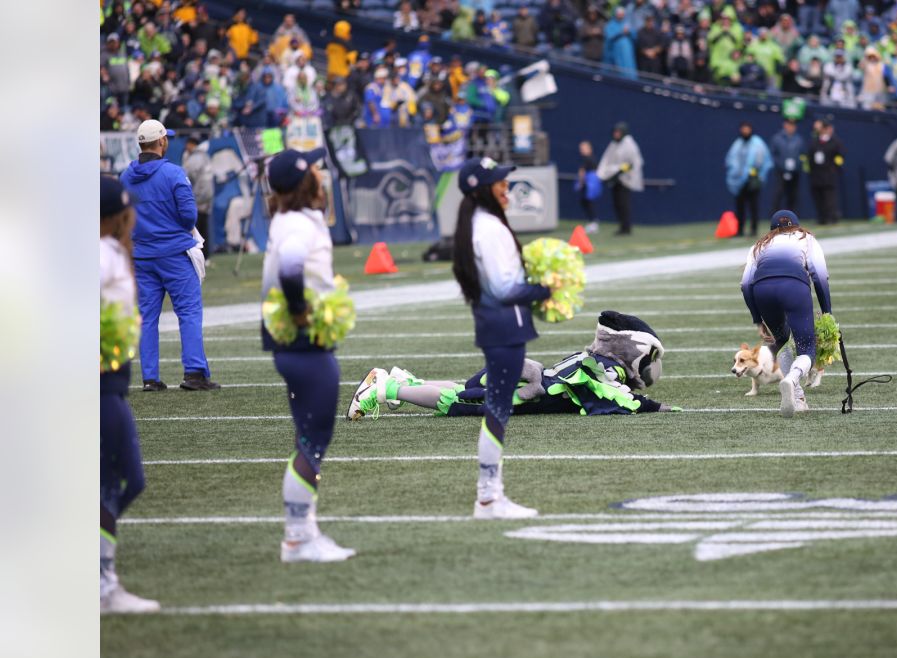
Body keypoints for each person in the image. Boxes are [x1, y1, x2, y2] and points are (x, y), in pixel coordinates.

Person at [261, 148, 356, 563]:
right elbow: (290, 266)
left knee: (310, 441)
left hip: (297, 344)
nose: (321, 172)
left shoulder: (290, 219)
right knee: (312, 443)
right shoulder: (298, 224)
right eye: (314, 168)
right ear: (305, 182)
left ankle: (304, 531)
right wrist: (300, 311)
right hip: (303, 343)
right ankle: (298, 538)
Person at [446, 157, 549, 518]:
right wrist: (542, 290)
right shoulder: (487, 228)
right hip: (501, 324)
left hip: (500, 323)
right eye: (499, 182)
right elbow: (504, 287)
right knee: (498, 410)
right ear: (482, 189)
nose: (506, 186)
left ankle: (490, 495)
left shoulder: (483, 224)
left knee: (499, 410)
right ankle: (488, 497)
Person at [347, 313, 673, 420]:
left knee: (462, 390)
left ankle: (404, 381)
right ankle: (387, 389)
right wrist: (656, 407)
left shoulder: (594, 358)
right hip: (520, 389)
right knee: (457, 402)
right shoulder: (603, 368)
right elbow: (615, 396)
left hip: (518, 377)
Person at [120, 119, 217, 392]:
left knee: (147, 316)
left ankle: (150, 378)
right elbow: (189, 216)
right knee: (188, 312)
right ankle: (194, 373)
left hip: (141, 256)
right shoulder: (174, 173)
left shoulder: (126, 177)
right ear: (161, 142)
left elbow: (122, 216)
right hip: (174, 254)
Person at [99, 177, 159, 614]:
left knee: (118, 482)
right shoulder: (98, 254)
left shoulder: (114, 252)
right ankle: (100, 581)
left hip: (113, 382)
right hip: (98, 386)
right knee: (124, 480)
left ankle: (101, 579)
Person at [740, 210, 832, 417]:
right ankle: (792, 379)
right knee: (807, 348)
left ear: (772, 230)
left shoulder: (759, 245)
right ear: (797, 226)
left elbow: (746, 285)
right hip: (794, 288)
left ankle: (798, 399)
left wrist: (757, 319)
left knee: (781, 341)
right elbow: (820, 276)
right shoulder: (806, 238)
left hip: (762, 291)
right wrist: (828, 312)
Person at [725, 122, 774, 238]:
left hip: (753, 179)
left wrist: (759, 174)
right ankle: (740, 229)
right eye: (743, 129)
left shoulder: (757, 143)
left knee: (753, 205)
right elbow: (731, 159)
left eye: (747, 129)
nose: (745, 132)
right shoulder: (738, 144)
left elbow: (764, 160)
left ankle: (753, 229)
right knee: (739, 206)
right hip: (739, 181)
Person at [598, 122, 644, 236]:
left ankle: (626, 228)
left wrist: (619, 173)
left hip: (626, 180)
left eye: (619, 132)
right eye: (615, 132)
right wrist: (606, 175)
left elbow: (632, 163)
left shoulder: (629, 144)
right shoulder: (614, 144)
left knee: (624, 204)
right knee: (617, 203)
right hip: (616, 180)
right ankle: (622, 227)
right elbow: (607, 160)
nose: (616, 134)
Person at [806, 118, 845, 225]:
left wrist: (835, 166)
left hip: (829, 174)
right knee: (818, 198)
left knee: (830, 198)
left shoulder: (836, 142)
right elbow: (809, 157)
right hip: (816, 175)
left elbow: (840, 157)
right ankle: (821, 218)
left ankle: (832, 217)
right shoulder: (815, 142)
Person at [182, 135, 213, 250]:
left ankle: (199, 251)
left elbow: (186, 177)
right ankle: (206, 254)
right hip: (207, 195)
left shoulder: (194, 158)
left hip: (198, 196)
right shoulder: (205, 156)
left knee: (197, 229)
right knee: (204, 227)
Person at [769, 118, 806, 214]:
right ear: (785, 125)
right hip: (781, 171)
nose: (791, 127)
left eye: (793, 125)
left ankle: (792, 217)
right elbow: (773, 155)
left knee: (793, 195)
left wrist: (798, 164)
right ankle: (775, 216)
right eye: (789, 125)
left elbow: (802, 155)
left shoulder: (799, 139)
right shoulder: (777, 138)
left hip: (795, 172)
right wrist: (781, 165)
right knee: (778, 193)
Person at [576, 140, 602, 233]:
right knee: (585, 202)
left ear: (589, 149)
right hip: (590, 185)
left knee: (588, 202)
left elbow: (582, 172)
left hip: (589, 185)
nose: (581, 150)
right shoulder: (589, 158)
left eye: (584, 148)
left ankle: (593, 223)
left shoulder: (588, 159)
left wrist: (580, 182)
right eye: (581, 148)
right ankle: (592, 222)